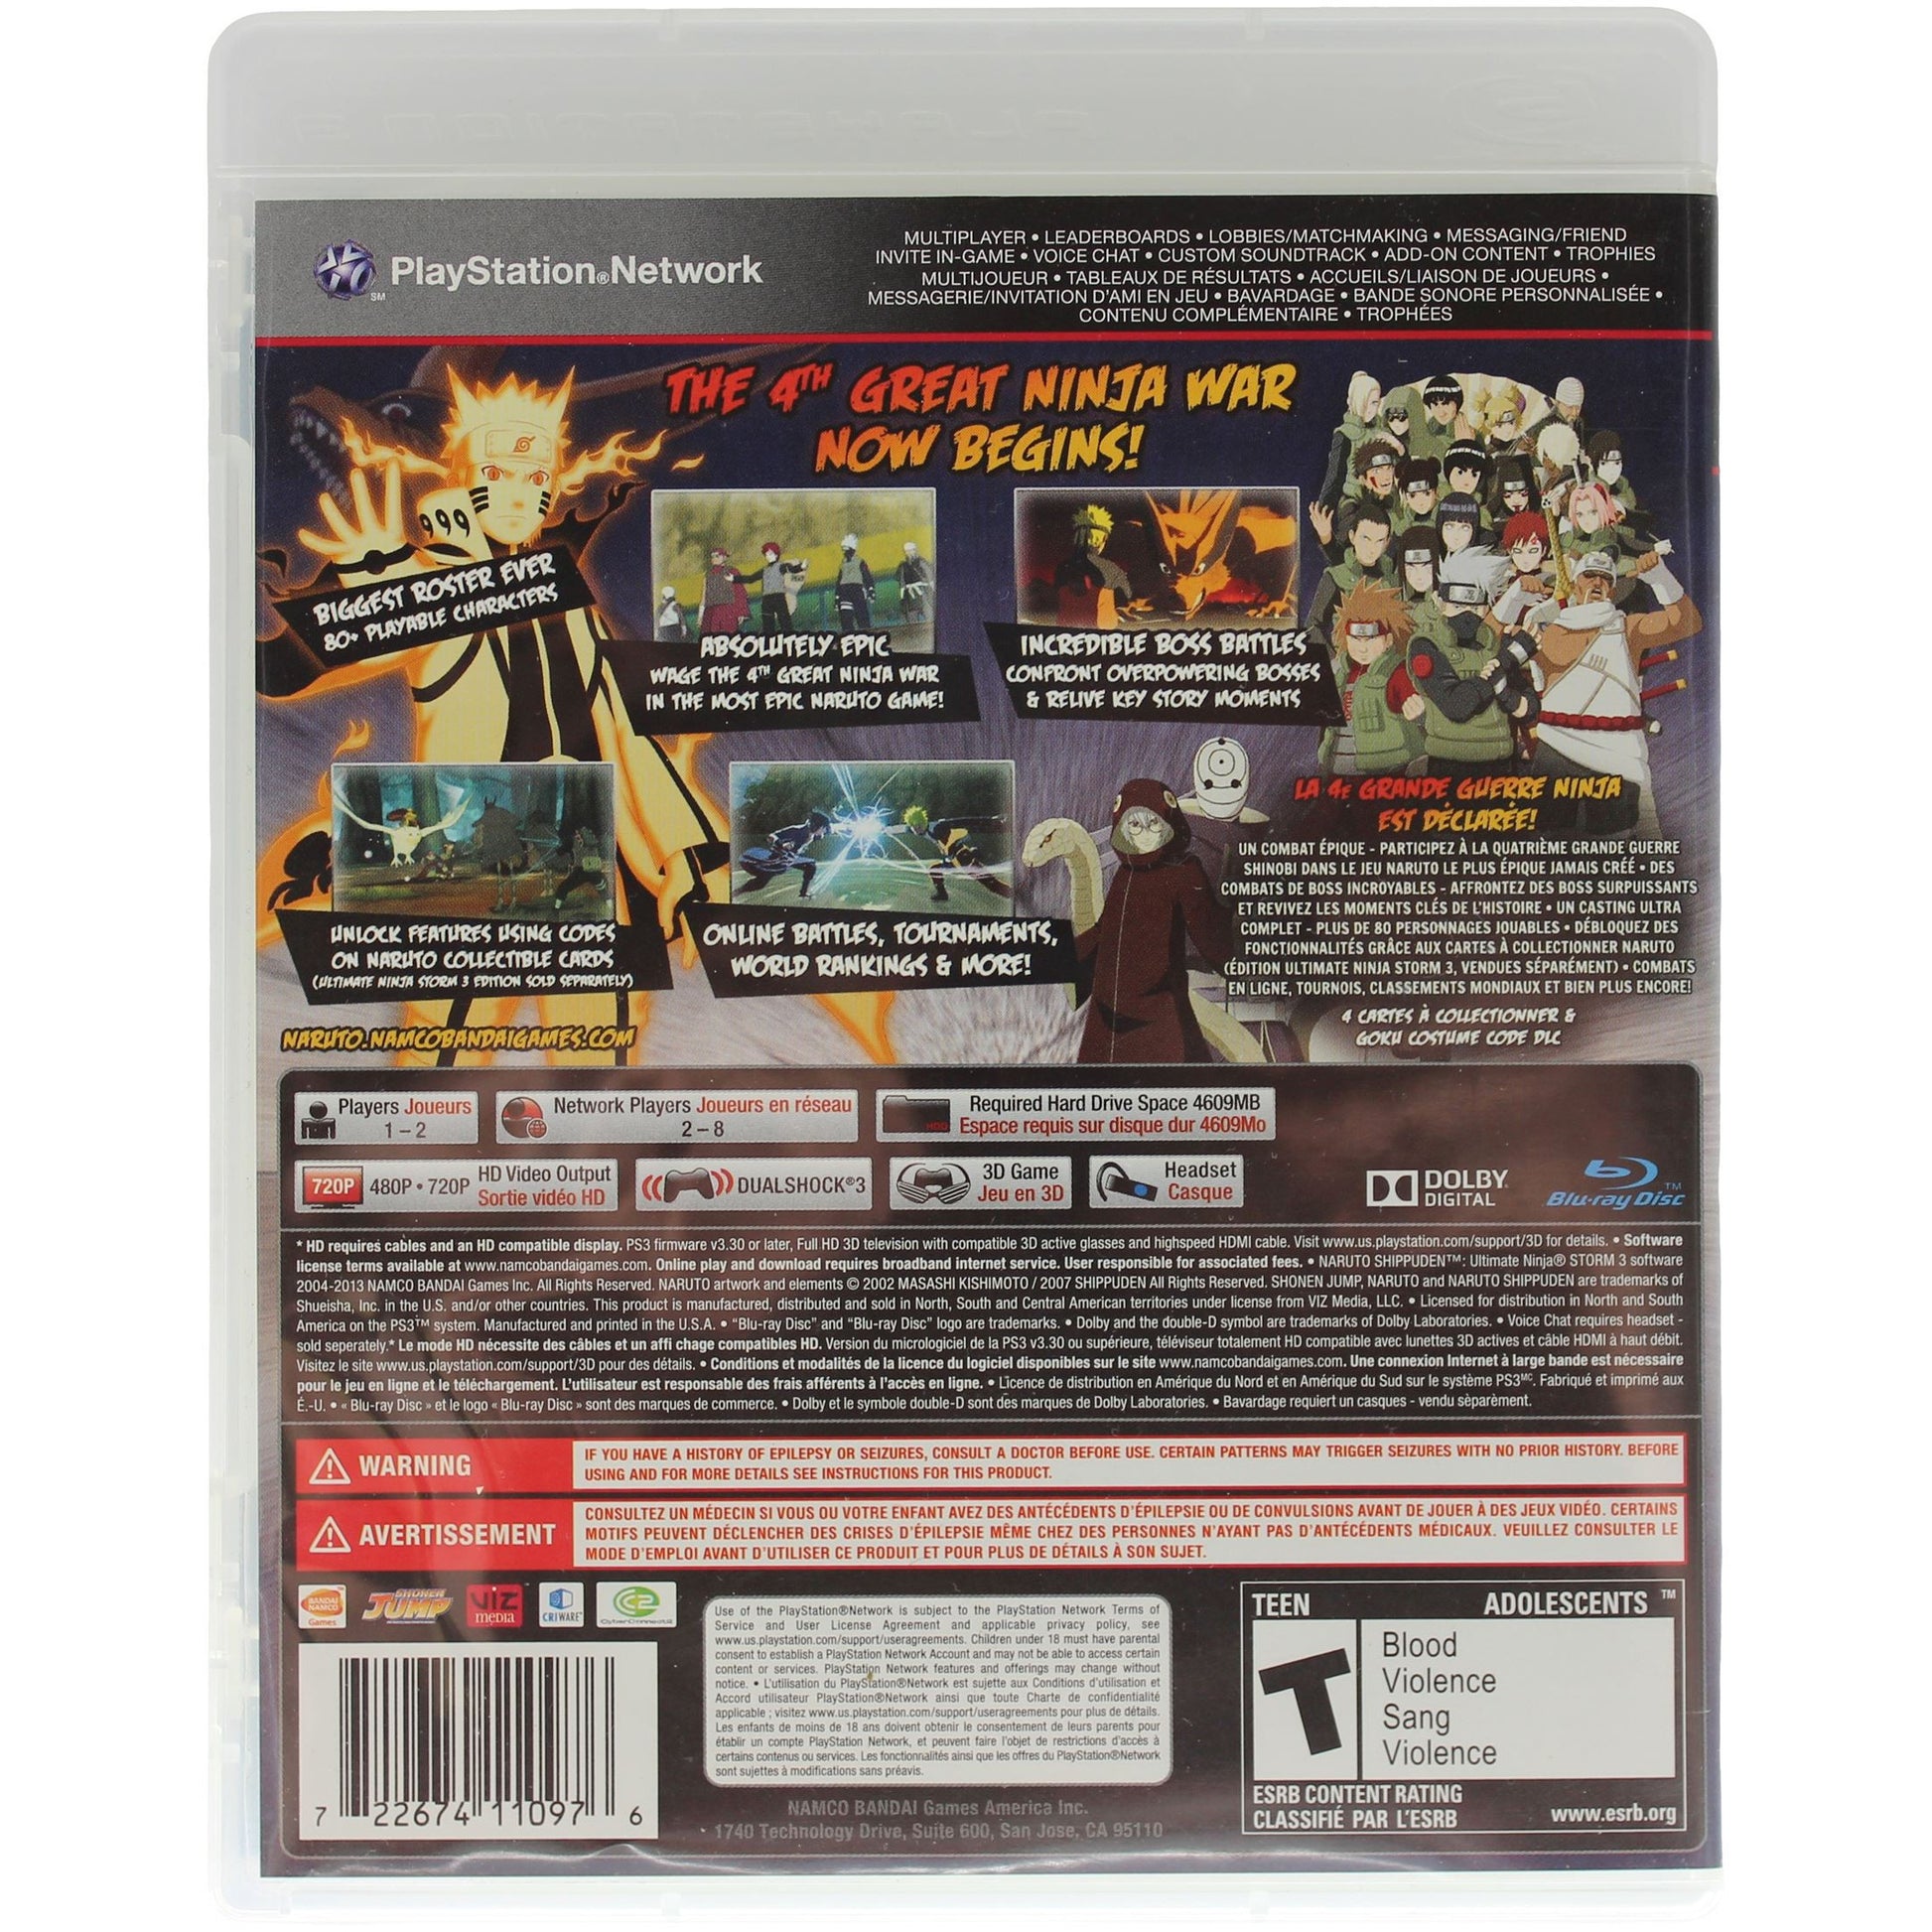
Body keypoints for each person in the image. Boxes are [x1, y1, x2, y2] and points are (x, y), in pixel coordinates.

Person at [1515, 547, 1701, 835]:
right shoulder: (1549, 633)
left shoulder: (1629, 628)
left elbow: (1687, 622)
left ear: (1612, 591)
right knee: (1549, 843)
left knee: (1619, 843)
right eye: (1589, 575)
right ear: (1575, 584)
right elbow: (1491, 647)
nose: (1597, 583)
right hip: (1556, 751)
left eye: (1605, 578)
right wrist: (1515, 597)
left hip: (1617, 753)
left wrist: (1660, 578)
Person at [1072, 780, 1230, 1064]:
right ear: (1122, 828)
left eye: (1153, 823)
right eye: (1135, 825)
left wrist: (1244, 963)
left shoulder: (1185, 872)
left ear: (1168, 823)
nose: (1144, 833)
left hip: (1157, 1014)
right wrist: (1057, 955)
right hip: (1107, 1013)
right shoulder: (1125, 873)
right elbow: (1103, 931)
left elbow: (1210, 933)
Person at [1317, 581, 1426, 778]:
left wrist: (1419, 712)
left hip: (1385, 772)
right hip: (1336, 772)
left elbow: (1416, 704)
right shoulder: (1339, 671)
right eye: (1355, 638)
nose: (1362, 647)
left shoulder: (1396, 672)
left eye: (1371, 639)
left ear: (1389, 640)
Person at [1306, 498, 1395, 652]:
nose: (1372, 548)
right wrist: (1333, 659)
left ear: (1387, 543)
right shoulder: (1335, 577)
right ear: (1352, 536)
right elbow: (1311, 626)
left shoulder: (1391, 575)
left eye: (1379, 540)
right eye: (1366, 539)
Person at [1054, 503, 1133, 626]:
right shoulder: (1111, 569)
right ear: (1101, 541)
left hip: (1067, 631)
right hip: (1100, 632)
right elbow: (1128, 594)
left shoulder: (1062, 568)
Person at [1317, 369, 1384, 513]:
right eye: (1367, 402)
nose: (1371, 409)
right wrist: (1323, 510)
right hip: (1354, 504)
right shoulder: (1344, 434)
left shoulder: (1380, 430)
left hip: (1380, 501)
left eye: (1375, 403)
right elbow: (1334, 477)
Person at [699, 546, 750, 636]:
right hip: (710, 612)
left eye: (717, 556)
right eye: (712, 556)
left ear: (724, 557)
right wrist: (700, 615)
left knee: (729, 636)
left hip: (728, 611)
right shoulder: (708, 575)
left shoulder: (732, 571)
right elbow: (704, 596)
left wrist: (741, 612)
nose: (714, 559)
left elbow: (740, 592)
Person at [834, 534, 876, 631]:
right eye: (844, 550)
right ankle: (849, 636)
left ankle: (866, 634)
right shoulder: (843, 564)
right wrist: (837, 598)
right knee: (846, 617)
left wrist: (871, 590)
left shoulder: (859, 561)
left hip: (856, 589)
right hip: (844, 591)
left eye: (846, 550)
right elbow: (839, 581)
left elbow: (867, 576)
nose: (844, 552)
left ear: (852, 549)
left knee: (862, 616)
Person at [1394, 455, 1441, 532]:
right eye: (1412, 495)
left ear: (1436, 492)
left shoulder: (1446, 522)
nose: (1420, 501)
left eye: (1427, 493)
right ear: (1405, 496)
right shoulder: (1401, 529)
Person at [897, 540, 934, 622]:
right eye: (907, 551)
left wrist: (933, 590)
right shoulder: (903, 566)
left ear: (915, 550)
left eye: (911, 550)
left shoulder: (922, 562)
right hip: (910, 596)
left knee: (929, 617)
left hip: (923, 593)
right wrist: (902, 598)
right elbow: (902, 583)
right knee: (912, 618)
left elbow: (930, 577)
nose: (909, 553)